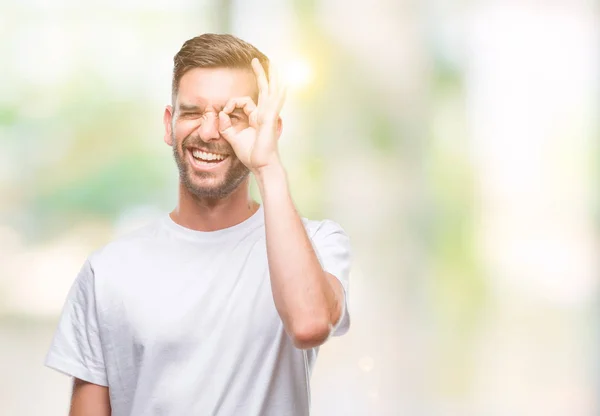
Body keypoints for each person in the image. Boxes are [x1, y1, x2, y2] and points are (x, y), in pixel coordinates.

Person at [45, 33, 351, 416]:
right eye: (193, 112)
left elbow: (309, 324)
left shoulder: (318, 244)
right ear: (169, 124)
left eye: (233, 116)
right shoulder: (108, 271)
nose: (209, 132)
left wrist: (268, 167)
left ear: (269, 129)